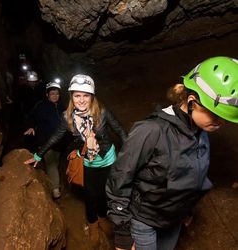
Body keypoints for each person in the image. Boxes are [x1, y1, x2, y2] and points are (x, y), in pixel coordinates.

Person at [106, 56, 238, 250]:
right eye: (217, 115)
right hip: (145, 221)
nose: (221, 123)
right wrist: (122, 233)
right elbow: (119, 179)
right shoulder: (151, 131)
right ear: (192, 101)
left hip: (173, 220)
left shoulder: (201, 132)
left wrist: (187, 210)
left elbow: (193, 173)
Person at [24, 74, 127, 248]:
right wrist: (38, 155)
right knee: (90, 194)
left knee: (103, 193)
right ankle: (93, 223)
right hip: (87, 161)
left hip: (108, 159)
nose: (81, 100)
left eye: (85, 95)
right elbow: (55, 136)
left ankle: (102, 218)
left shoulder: (102, 112)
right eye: (77, 95)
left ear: (92, 96)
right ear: (72, 97)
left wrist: (131, 154)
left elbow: (120, 131)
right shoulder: (68, 117)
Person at [24, 81, 65, 199]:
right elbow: (31, 117)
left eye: (57, 94)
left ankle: (52, 181)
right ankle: (55, 189)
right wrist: (31, 126)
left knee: (55, 163)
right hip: (45, 141)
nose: (55, 96)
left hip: (59, 143)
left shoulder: (62, 107)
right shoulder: (41, 106)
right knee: (51, 163)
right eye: (52, 94)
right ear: (47, 95)